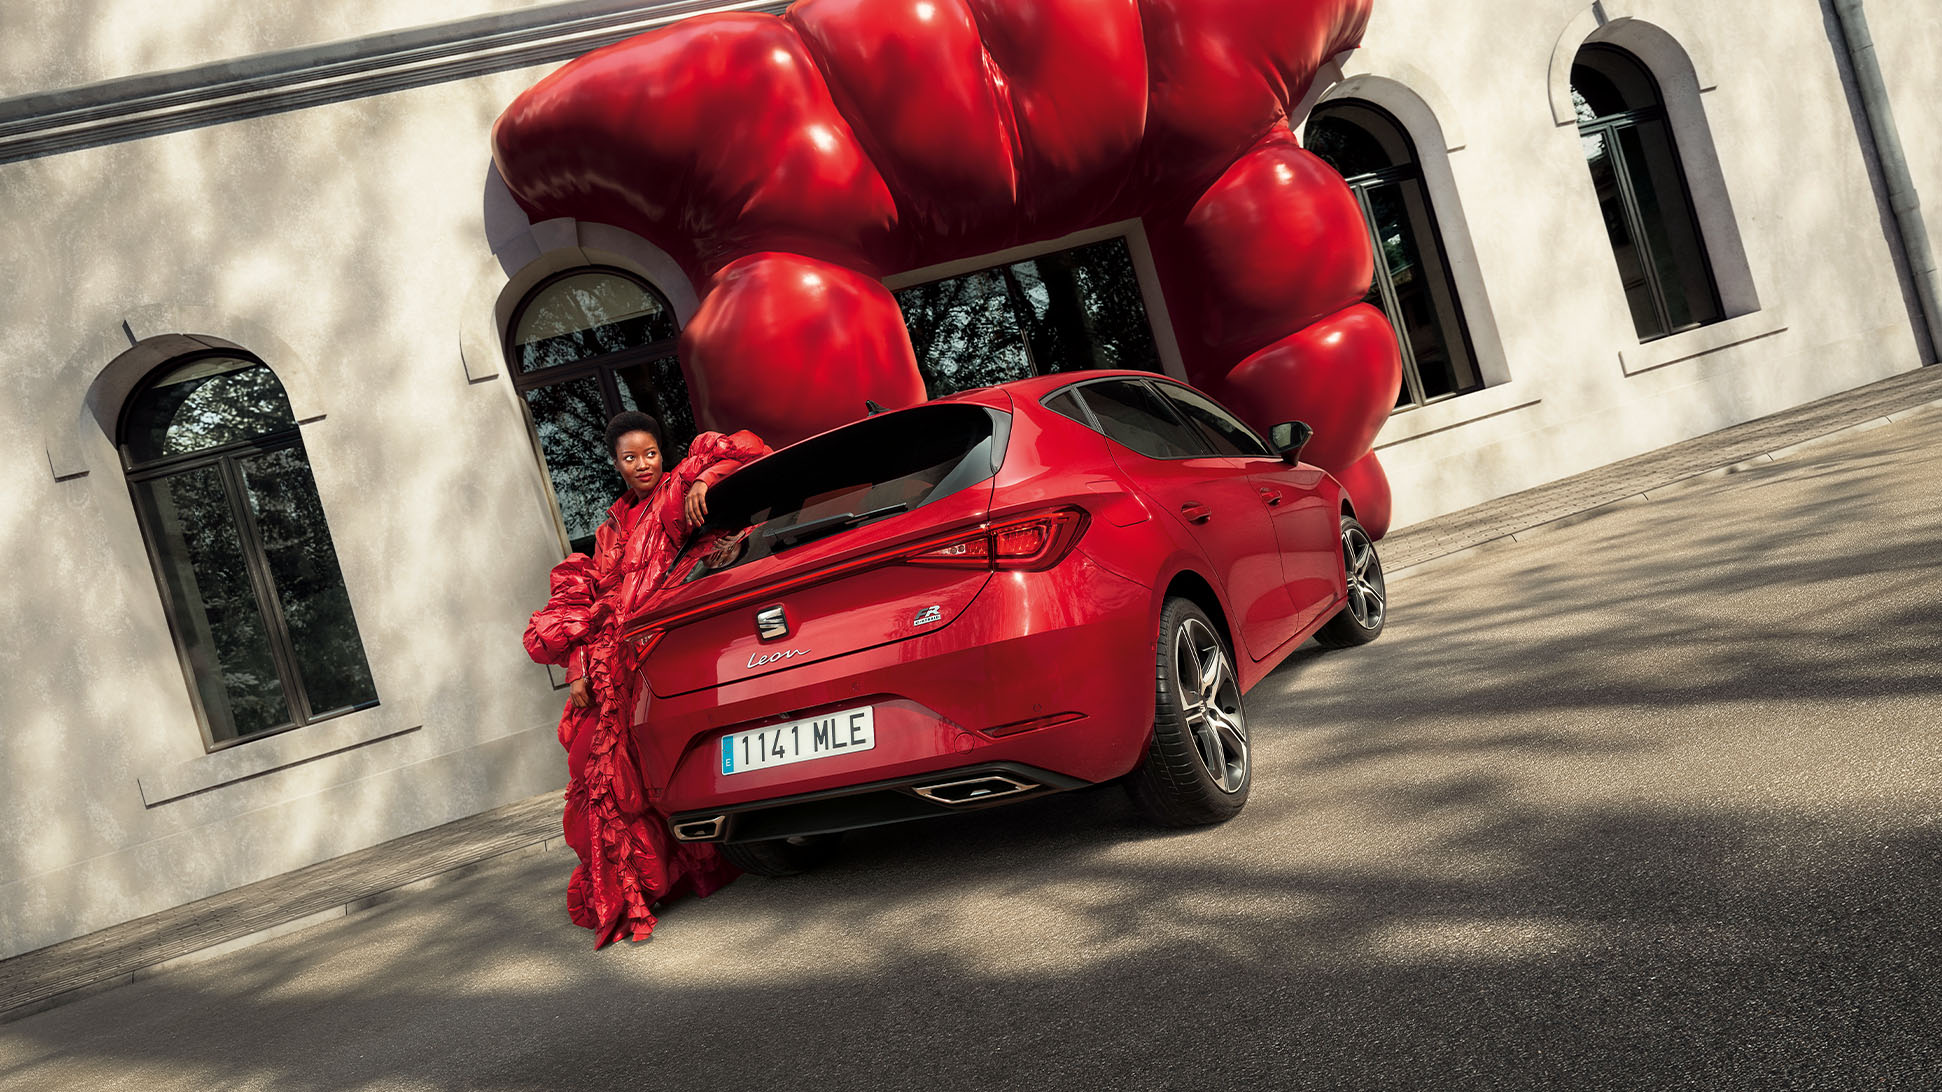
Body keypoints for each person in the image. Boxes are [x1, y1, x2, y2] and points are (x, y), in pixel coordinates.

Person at [523, 411, 770, 946]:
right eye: (630, 458)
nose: (643, 465)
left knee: (643, 769)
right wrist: (579, 666)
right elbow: (597, 600)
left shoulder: (677, 493)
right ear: (615, 464)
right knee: (593, 769)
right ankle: (633, 885)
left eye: (650, 453)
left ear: (664, 453)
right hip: (610, 658)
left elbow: (747, 449)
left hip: (659, 648)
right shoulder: (610, 527)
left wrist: (705, 478)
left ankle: (663, 876)